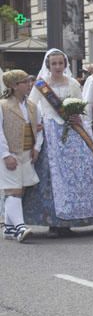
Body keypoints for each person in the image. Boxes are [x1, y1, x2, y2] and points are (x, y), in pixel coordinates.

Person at [24, 49, 93, 237]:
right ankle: (52, 221)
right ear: (48, 65)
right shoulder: (40, 86)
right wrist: (36, 126)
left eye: (60, 63)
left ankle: (73, 218)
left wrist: (78, 118)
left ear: (65, 64)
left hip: (71, 130)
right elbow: (31, 107)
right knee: (50, 176)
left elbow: (80, 106)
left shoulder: (73, 83)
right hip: (49, 130)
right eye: (54, 64)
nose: (57, 67)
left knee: (78, 171)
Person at [1, 69, 42, 242]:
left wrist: (37, 148)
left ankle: (9, 228)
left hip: (26, 152)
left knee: (21, 189)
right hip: (10, 153)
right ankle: (20, 227)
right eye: (24, 82)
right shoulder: (3, 105)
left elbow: (39, 129)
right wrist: (5, 154)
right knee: (14, 190)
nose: (28, 84)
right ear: (14, 86)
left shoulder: (32, 106)